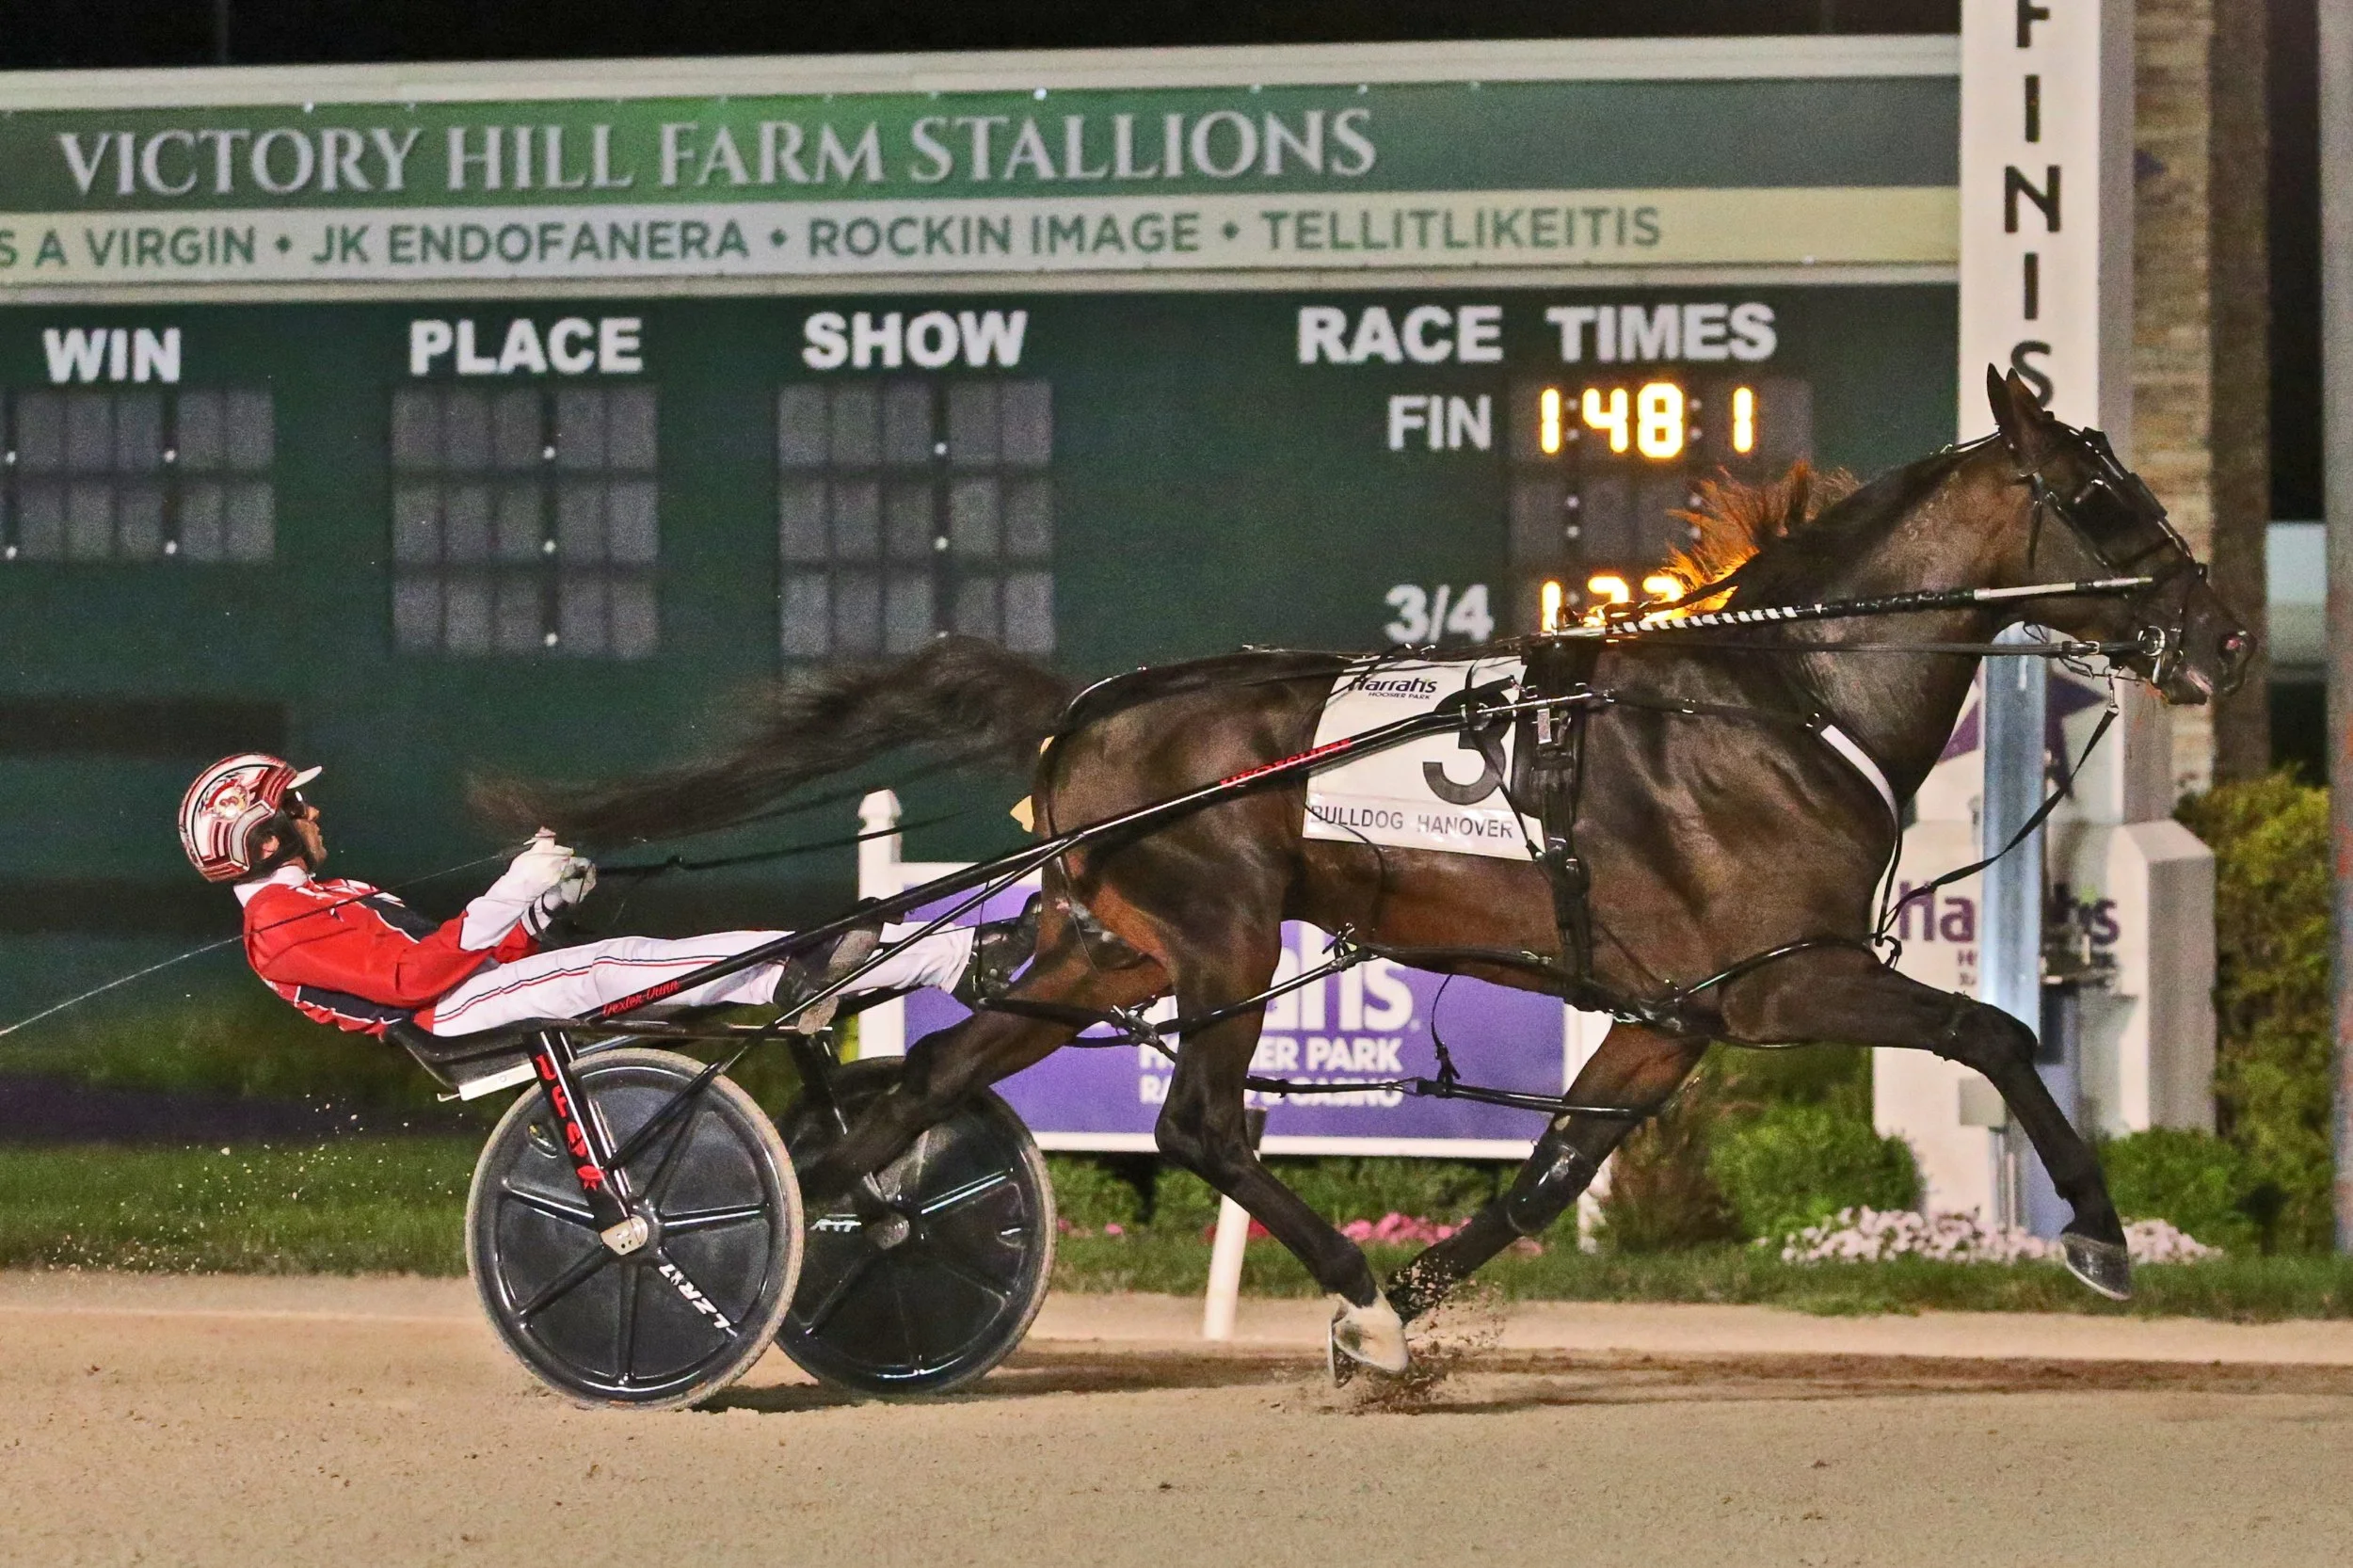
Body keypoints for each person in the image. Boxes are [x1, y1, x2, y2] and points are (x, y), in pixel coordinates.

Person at [178, 752, 1028, 1041]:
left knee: (649, 958)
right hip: (449, 1018)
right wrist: (517, 887)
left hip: (465, 998)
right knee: (624, 962)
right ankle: (932, 957)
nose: (313, 810)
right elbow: (411, 981)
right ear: (263, 835)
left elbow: (452, 953)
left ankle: (935, 956)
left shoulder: (318, 896)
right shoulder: (279, 924)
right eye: (296, 805)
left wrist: (533, 914)